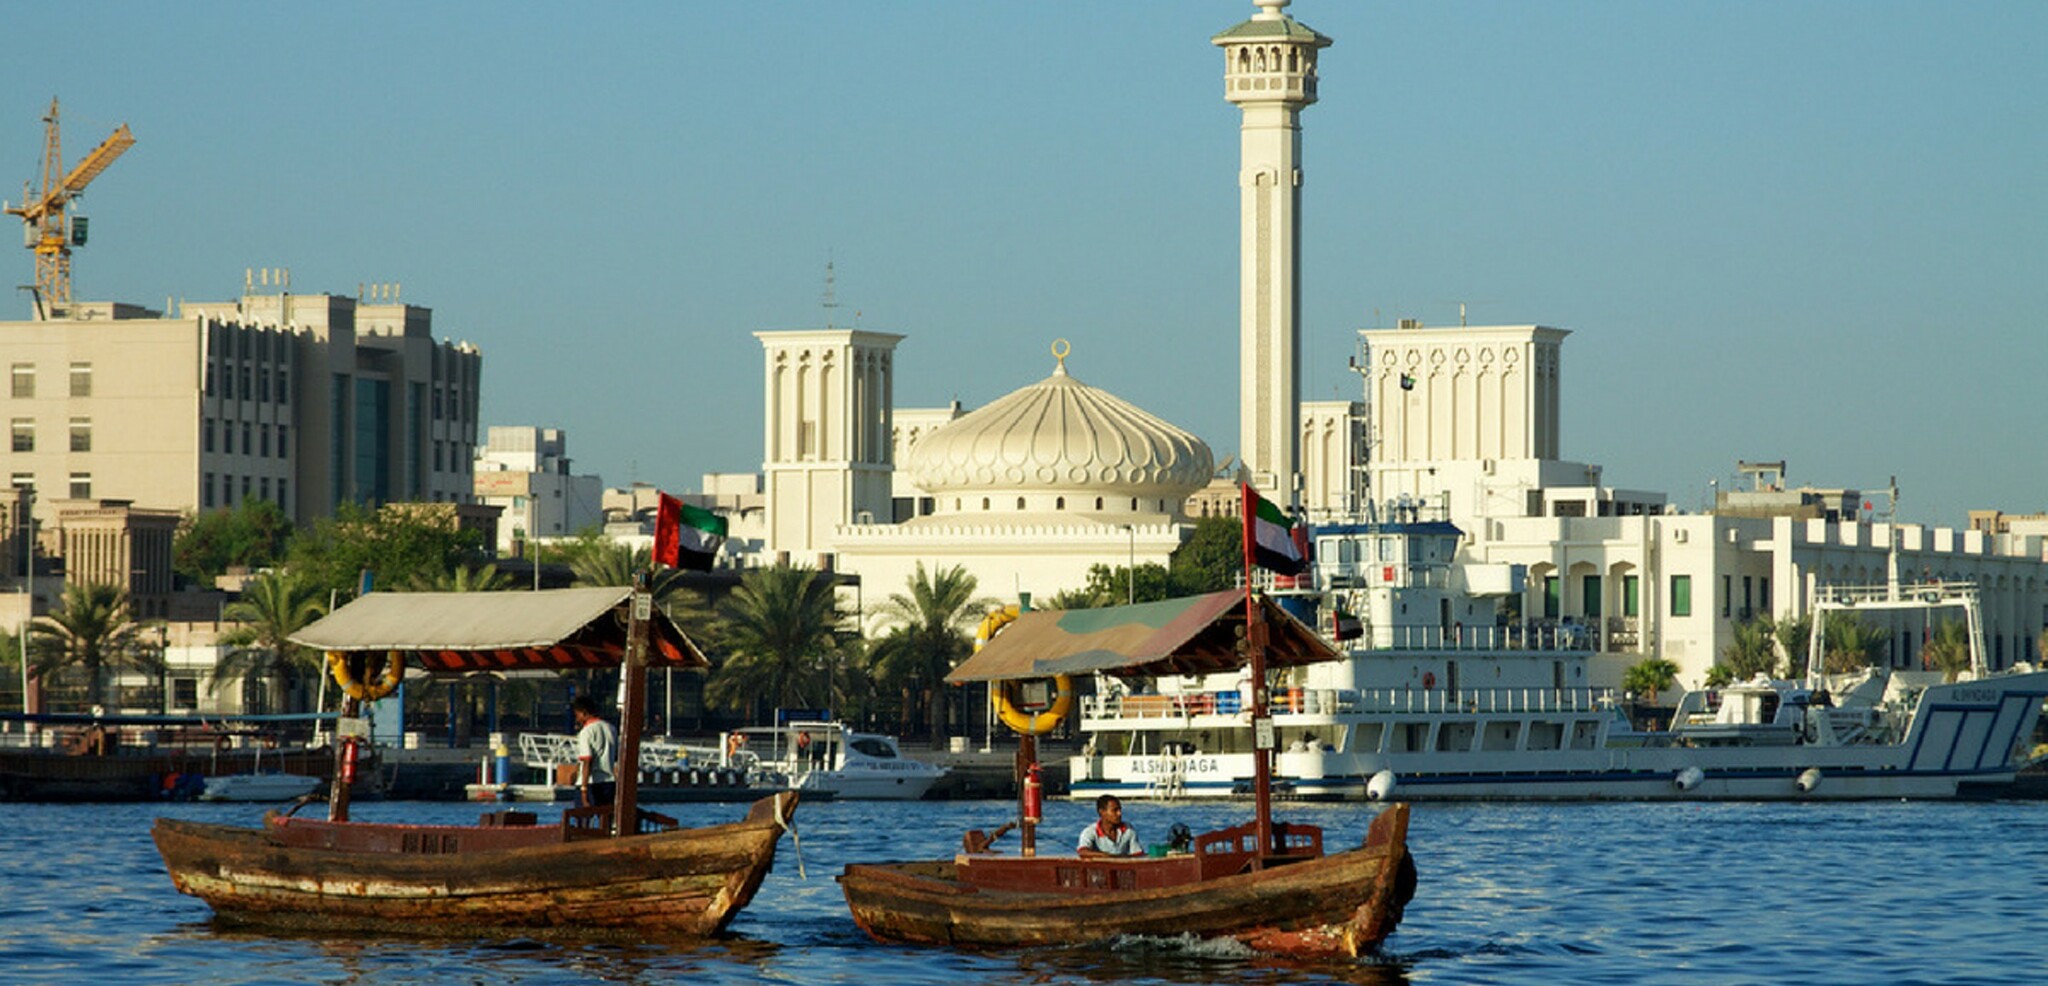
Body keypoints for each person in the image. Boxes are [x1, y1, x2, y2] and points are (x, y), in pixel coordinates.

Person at [570, 694, 619, 808]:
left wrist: (583, 789)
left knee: (582, 821)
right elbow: (616, 756)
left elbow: (587, 761)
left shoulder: (586, 732)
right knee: (607, 819)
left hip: (591, 782)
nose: (577, 719)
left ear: (584, 712)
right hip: (609, 781)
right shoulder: (611, 728)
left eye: (577, 715)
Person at [1076, 794, 1140, 857]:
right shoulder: (1089, 832)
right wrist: (1108, 856)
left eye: (1120, 810)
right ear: (1102, 812)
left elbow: (1138, 854)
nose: (1119, 813)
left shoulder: (1128, 829)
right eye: (1115, 810)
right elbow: (1083, 852)